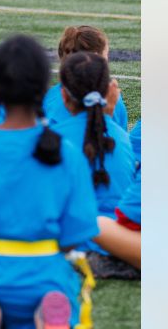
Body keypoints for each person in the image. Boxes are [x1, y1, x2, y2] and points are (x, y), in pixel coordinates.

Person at [0, 35, 99, 329]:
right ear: (44, 87)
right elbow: (77, 234)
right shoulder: (66, 151)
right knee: (64, 299)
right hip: (48, 274)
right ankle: (45, 315)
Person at [54, 51, 136, 262]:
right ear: (108, 91)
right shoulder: (122, 137)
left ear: (63, 96)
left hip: (66, 239)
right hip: (117, 242)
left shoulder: (52, 139)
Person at [43, 25, 129, 129]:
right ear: (98, 60)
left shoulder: (48, 98)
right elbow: (121, 139)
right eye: (106, 55)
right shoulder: (113, 100)